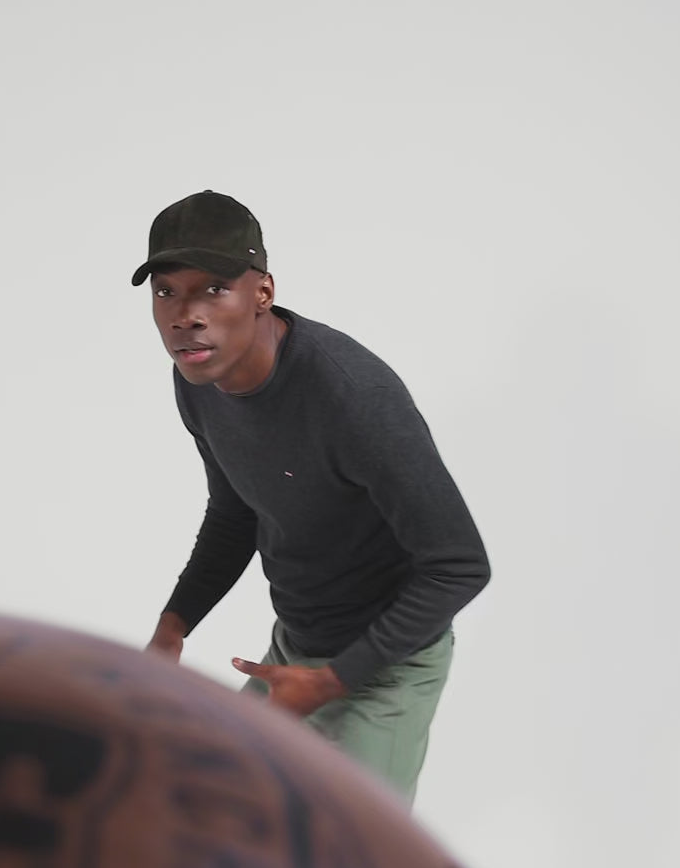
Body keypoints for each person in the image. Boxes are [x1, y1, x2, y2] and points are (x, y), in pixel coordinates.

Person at [134, 190, 490, 802]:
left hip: (386, 667)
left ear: (262, 292)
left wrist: (331, 681)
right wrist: (173, 628)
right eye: (167, 292)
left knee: (354, 849)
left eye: (214, 289)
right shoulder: (198, 375)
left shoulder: (356, 399)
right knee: (214, 810)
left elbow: (459, 567)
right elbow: (235, 512)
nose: (185, 315)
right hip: (298, 645)